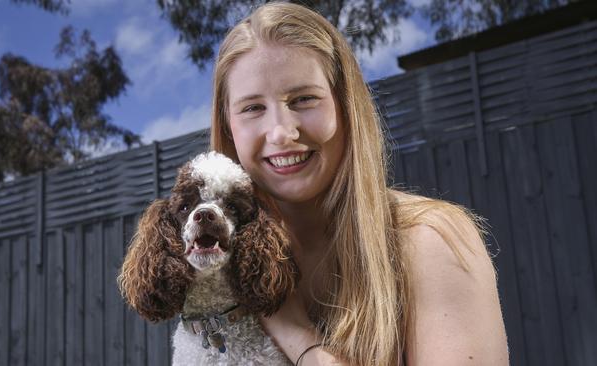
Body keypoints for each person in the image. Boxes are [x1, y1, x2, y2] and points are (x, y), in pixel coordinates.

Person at [210, 2, 509, 365]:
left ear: (346, 106)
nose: (282, 132)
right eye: (253, 108)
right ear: (228, 128)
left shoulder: (429, 241)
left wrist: (290, 327)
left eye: (304, 99)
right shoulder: (220, 262)